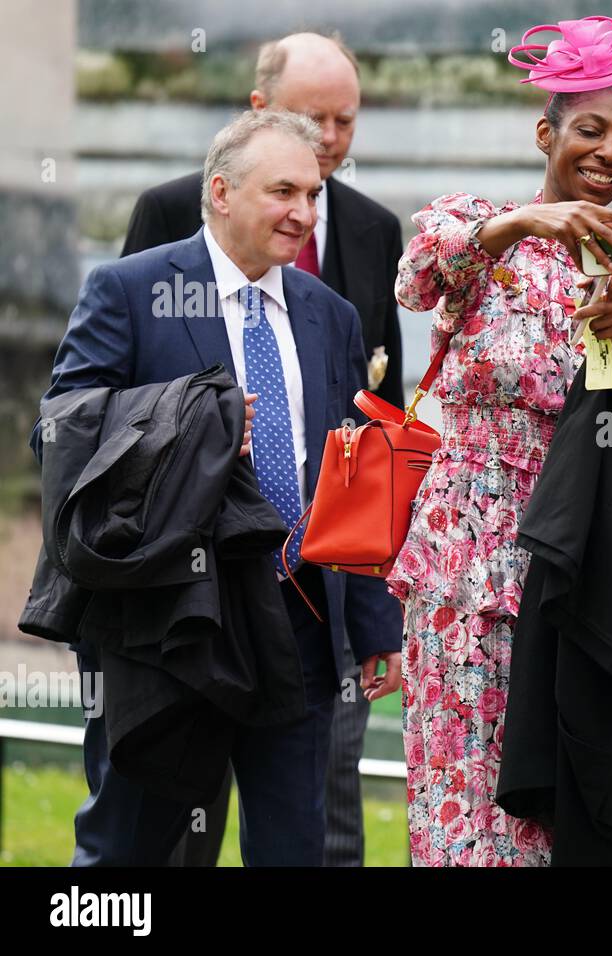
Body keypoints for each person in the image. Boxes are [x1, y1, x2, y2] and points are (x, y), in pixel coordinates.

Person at [37, 109, 401, 865]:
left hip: (296, 619)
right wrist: (184, 429)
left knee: (297, 850)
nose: (304, 213)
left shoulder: (329, 315)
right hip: (169, 619)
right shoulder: (131, 290)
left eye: (313, 193)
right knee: (128, 849)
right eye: (283, 192)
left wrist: (373, 624)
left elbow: (352, 470)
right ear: (222, 192)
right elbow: (58, 431)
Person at [389, 7, 612, 866]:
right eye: (591, 130)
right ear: (545, 131)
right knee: (458, 790)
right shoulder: (478, 225)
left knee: (549, 795)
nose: (609, 155)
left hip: (573, 556)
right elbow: (416, 277)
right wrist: (525, 224)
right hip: (464, 551)